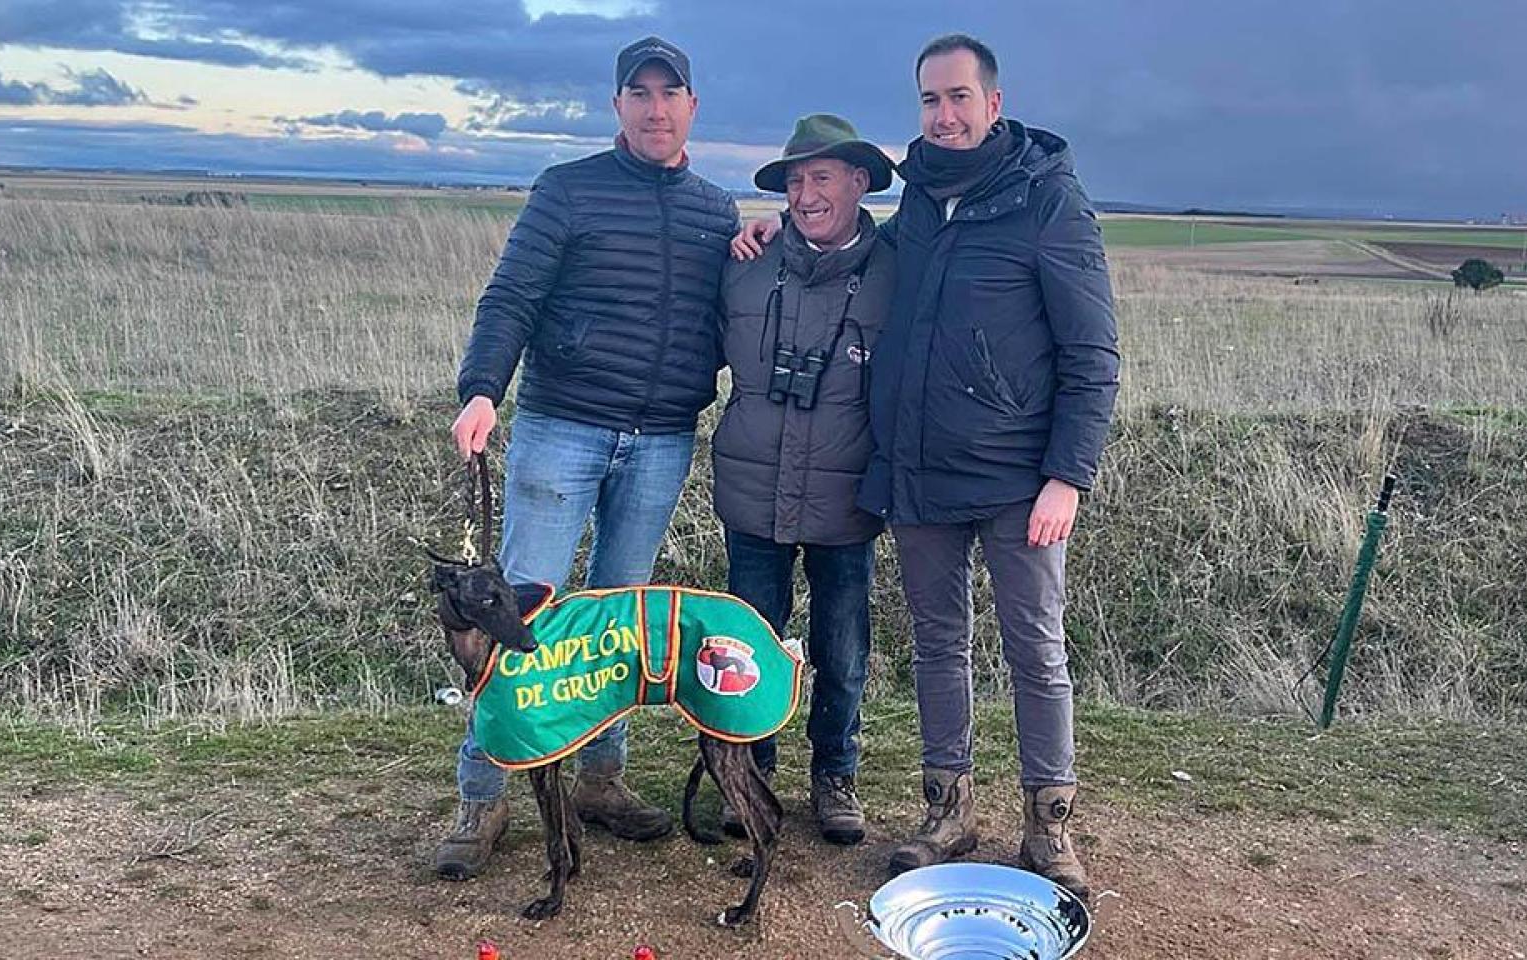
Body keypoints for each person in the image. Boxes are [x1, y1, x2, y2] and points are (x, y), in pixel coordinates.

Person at [734, 33, 1120, 896]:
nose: (943, 116)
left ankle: (1049, 825)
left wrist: (1069, 474)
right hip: (918, 475)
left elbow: (1093, 353)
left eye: (958, 98)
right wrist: (772, 227)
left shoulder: (1047, 202)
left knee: (1036, 650)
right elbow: (844, 246)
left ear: (993, 101)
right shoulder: (915, 206)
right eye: (929, 101)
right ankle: (949, 810)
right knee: (940, 648)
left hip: (1022, 479)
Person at [437, 35, 740, 881]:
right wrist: (482, 389)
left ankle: (601, 779)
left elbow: (735, 310)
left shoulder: (717, 213)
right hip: (561, 430)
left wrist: (763, 247)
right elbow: (512, 296)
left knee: (616, 621)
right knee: (518, 618)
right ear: (617, 107)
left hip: (663, 440)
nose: (654, 108)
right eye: (637, 94)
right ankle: (482, 797)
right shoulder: (566, 191)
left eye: (669, 93)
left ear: (692, 106)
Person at [712, 114, 896, 846]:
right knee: (749, 646)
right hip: (753, 492)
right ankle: (748, 774)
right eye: (794, 181)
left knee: (842, 648)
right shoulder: (745, 260)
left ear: (859, 182)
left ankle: (835, 774)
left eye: (822, 177)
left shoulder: (899, 271)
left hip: (848, 496)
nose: (806, 194)